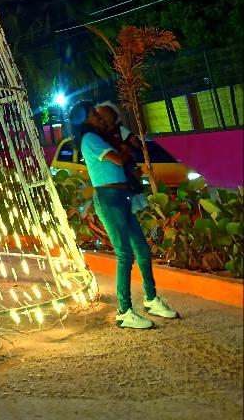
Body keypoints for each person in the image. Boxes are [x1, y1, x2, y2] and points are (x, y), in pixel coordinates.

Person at [70, 100, 179, 329]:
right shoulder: (90, 140)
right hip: (108, 200)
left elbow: (123, 157)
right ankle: (124, 311)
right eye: (94, 114)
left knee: (141, 248)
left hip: (121, 197)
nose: (99, 117)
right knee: (124, 254)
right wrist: (125, 147)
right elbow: (119, 159)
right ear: (85, 119)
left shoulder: (101, 137)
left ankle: (151, 299)